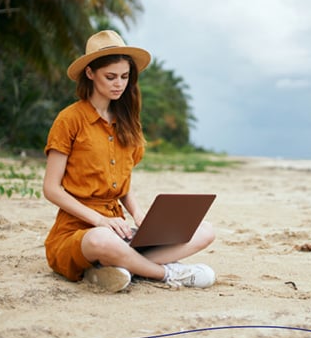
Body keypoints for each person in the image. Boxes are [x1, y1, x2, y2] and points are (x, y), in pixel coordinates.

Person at [43, 30, 215, 292]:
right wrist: (99, 221)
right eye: (110, 77)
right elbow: (51, 189)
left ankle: (114, 268)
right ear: (90, 73)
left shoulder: (127, 123)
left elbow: (122, 185)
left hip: (119, 230)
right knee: (103, 241)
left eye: (124, 77)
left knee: (205, 230)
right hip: (80, 233)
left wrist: (138, 214)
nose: (118, 84)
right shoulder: (69, 119)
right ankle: (165, 274)